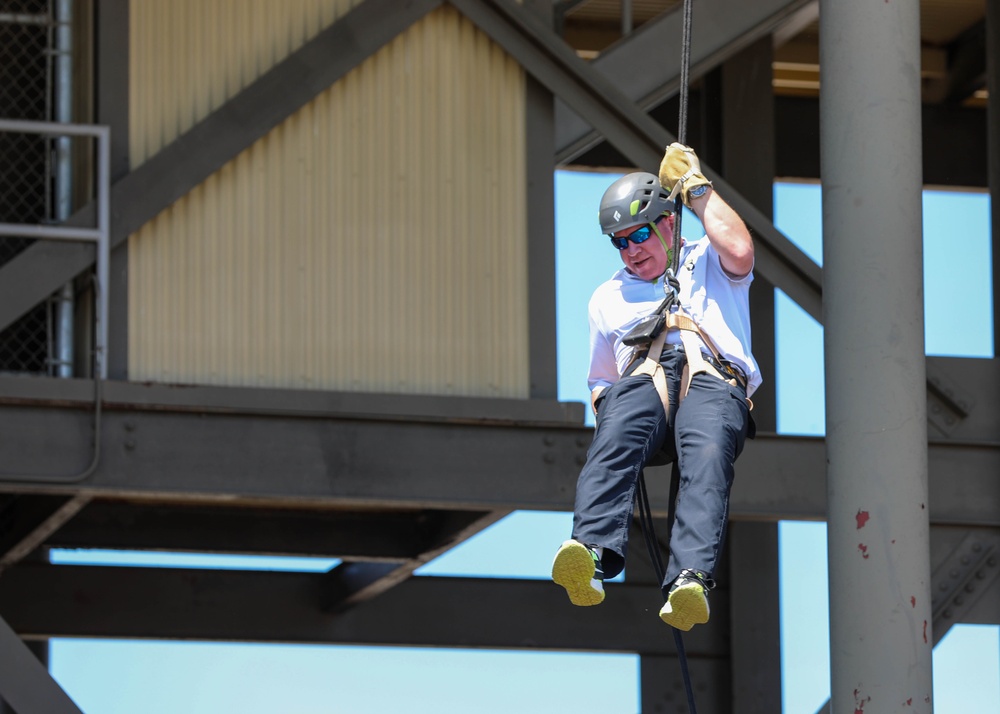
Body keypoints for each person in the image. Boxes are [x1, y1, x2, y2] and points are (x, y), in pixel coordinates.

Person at [551, 143, 760, 631]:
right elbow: (602, 379)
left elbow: (741, 251)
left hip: (711, 378)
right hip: (645, 383)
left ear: (669, 223)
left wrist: (697, 190)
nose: (631, 250)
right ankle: (592, 552)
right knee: (617, 428)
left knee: (707, 457)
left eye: (640, 234)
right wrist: (616, 416)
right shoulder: (607, 298)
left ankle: (689, 578)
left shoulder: (708, 259)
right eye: (619, 242)